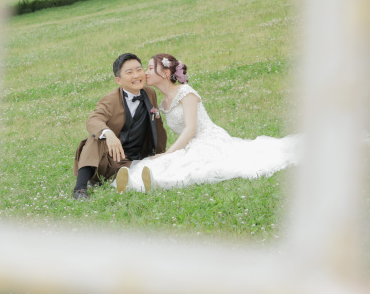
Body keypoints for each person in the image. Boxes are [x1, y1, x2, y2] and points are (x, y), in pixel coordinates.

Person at [123, 54, 298, 192]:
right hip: (189, 144)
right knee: (167, 159)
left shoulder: (185, 93)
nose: (145, 72)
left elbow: (191, 128)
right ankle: (135, 181)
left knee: (195, 164)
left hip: (209, 139)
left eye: (151, 68)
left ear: (166, 73)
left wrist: (169, 152)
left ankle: (159, 182)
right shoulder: (162, 103)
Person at [72, 53, 168, 199]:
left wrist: (161, 153)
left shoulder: (150, 93)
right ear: (119, 80)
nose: (136, 75)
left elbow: (158, 125)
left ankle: (131, 180)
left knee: (145, 171)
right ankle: (79, 189)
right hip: (111, 159)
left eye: (138, 69)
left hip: (136, 157)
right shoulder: (110, 100)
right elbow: (93, 119)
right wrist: (108, 134)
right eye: (129, 72)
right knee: (94, 138)